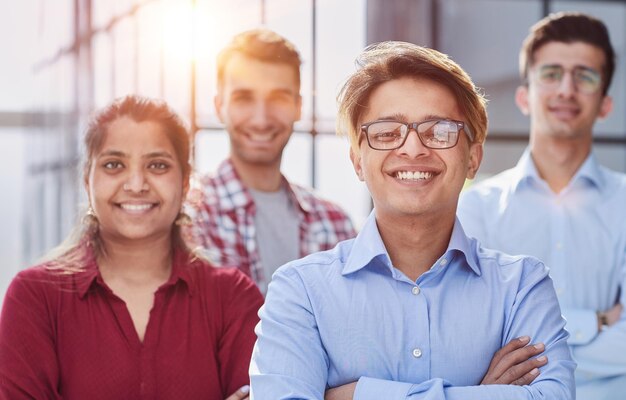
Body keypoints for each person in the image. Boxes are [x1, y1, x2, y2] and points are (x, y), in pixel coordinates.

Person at [249, 41, 575, 399]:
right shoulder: (300, 291)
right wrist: (481, 393)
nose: (414, 148)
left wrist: (357, 394)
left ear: (473, 158)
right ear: (358, 160)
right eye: (388, 133)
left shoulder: (523, 287)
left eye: (439, 131)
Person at [0, 95, 263, 400]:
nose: (136, 184)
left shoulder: (232, 298)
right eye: (114, 164)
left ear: (186, 183)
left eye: (157, 165)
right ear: (87, 180)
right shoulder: (36, 297)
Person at [457, 12, 626, 400]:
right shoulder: (476, 209)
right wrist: (596, 322)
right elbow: (471, 343)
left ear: (605, 104)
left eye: (585, 76)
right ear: (524, 96)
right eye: (551, 74)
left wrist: (523, 352)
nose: (566, 89)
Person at [184, 28, 356, 294]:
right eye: (244, 98)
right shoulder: (190, 214)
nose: (261, 119)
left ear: (298, 107)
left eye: (278, 98)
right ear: (219, 107)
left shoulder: (335, 224)